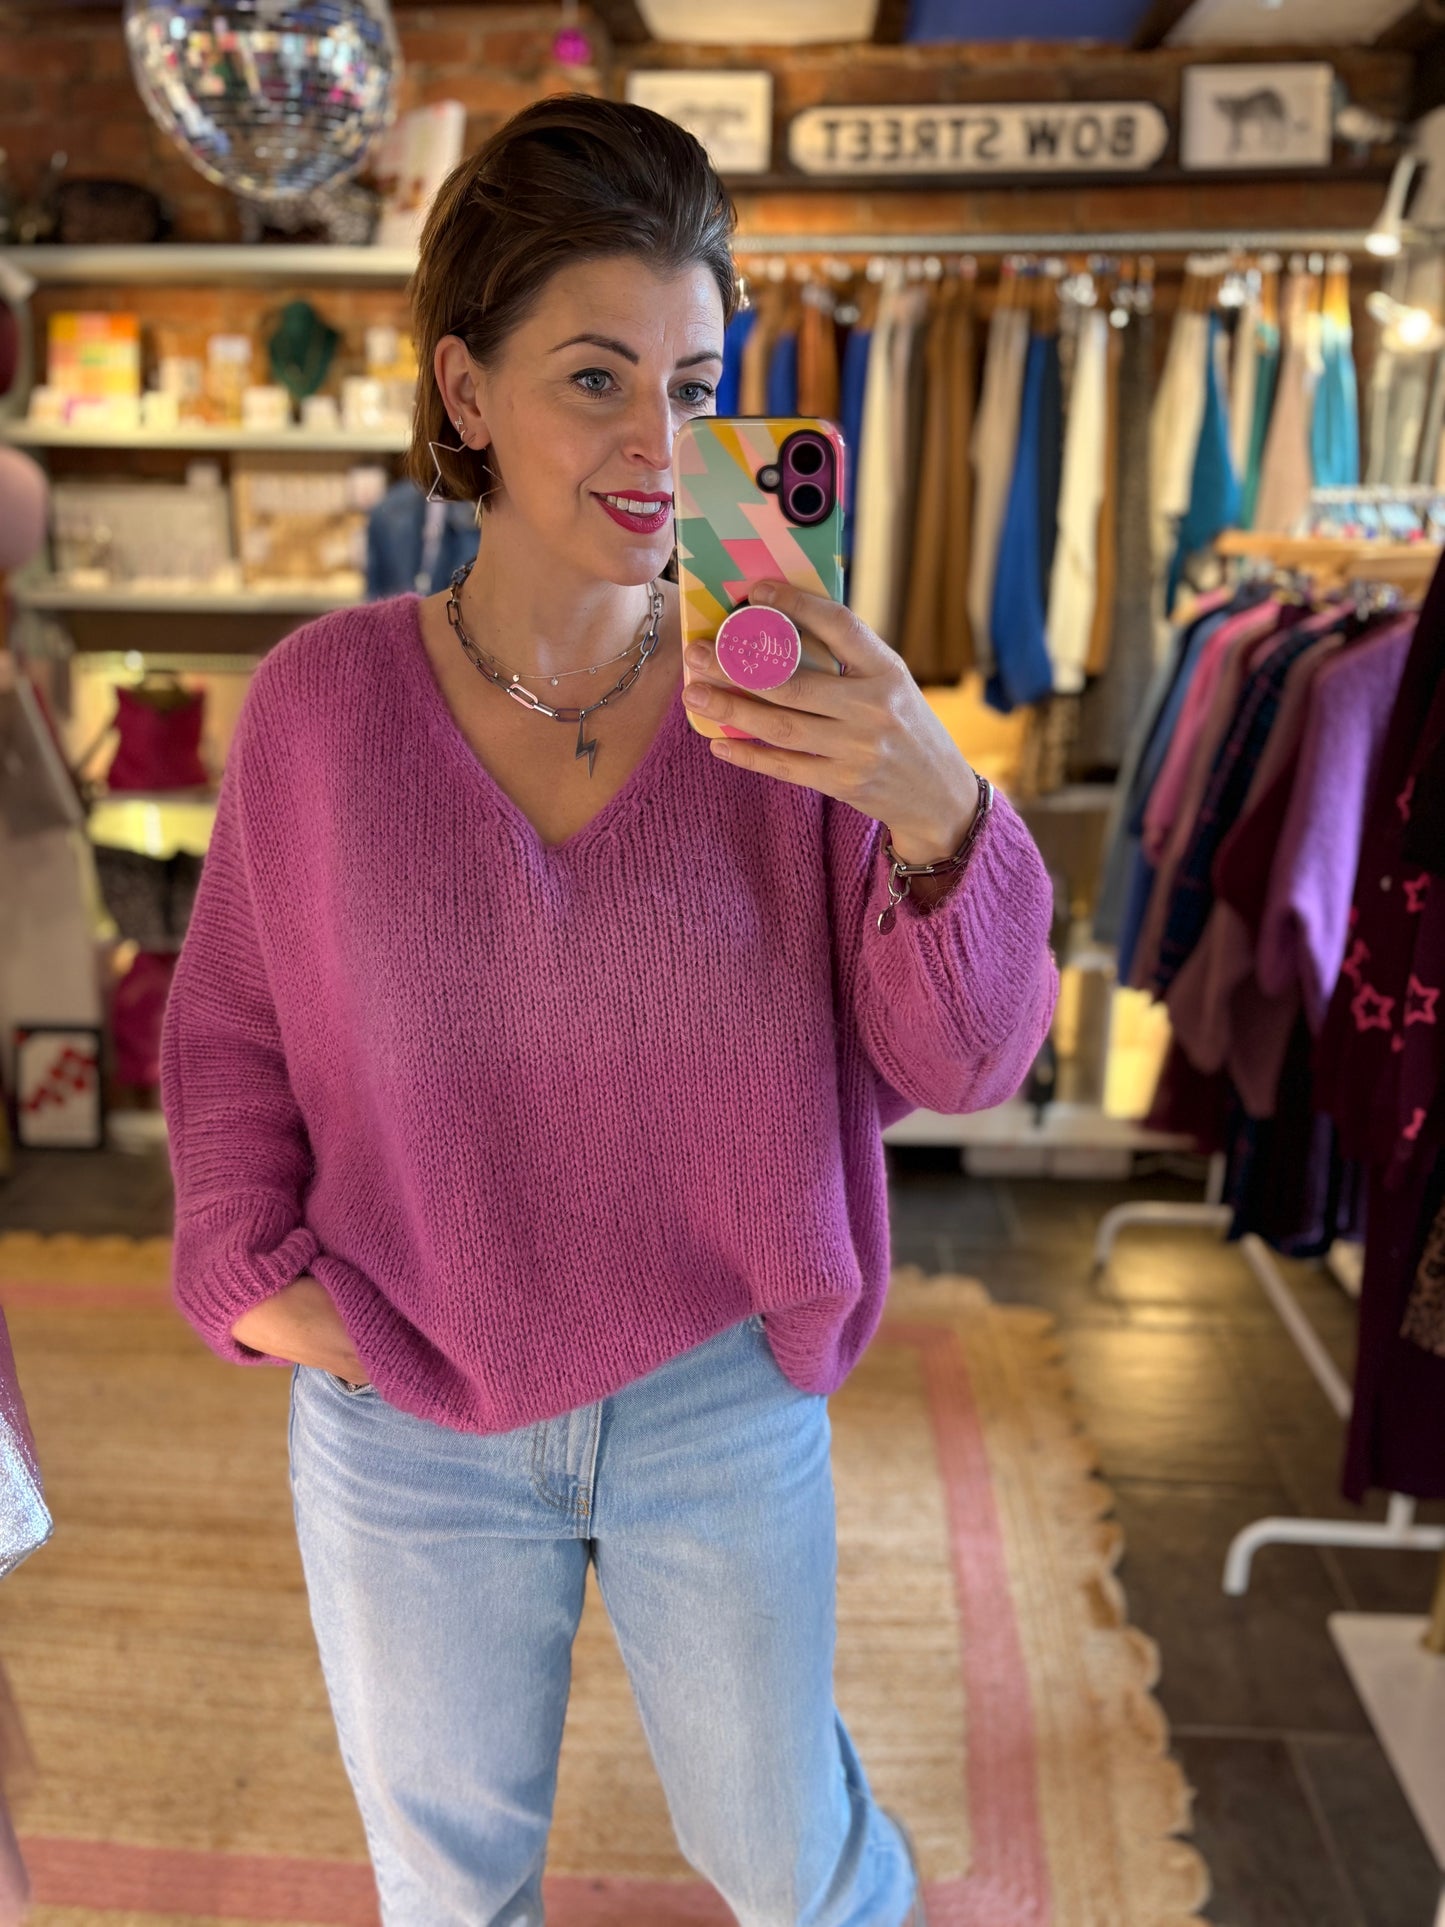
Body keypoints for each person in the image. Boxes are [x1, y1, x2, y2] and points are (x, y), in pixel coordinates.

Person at [159, 95, 1059, 1927]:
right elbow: (232, 1029)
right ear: (466, 393)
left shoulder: (795, 706)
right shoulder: (322, 709)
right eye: (594, 378)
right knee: (446, 1884)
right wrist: (247, 1269)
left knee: (787, 1861)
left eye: (698, 378)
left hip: (715, 1395)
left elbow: (963, 1059)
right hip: (403, 1398)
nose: (664, 444)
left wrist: (931, 803)